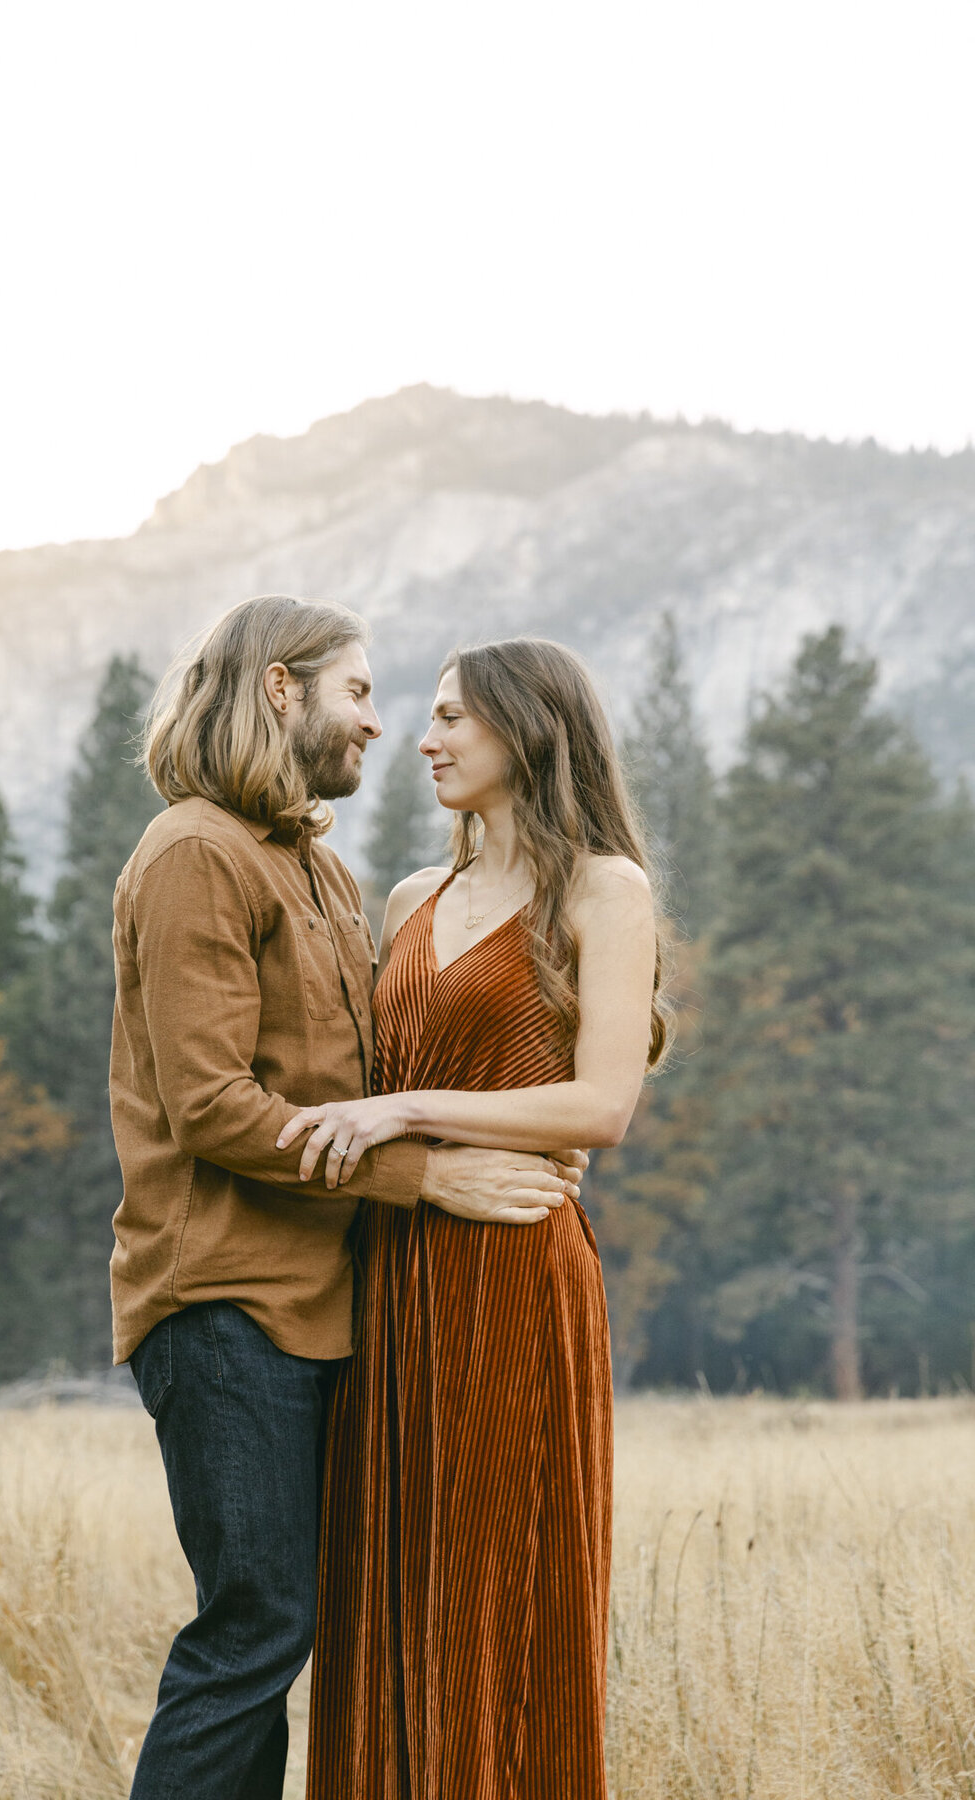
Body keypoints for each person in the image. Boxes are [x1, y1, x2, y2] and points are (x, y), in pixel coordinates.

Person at [107, 595, 588, 1800]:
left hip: (333, 1305)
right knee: (254, 1633)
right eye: (361, 693)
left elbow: (382, 1073)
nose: (381, 727)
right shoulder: (193, 856)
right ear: (281, 690)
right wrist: (430, 1176)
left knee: (303, 1633)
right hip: (225, 1306)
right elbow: (214, 1106)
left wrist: (524, 1114)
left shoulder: (317, 866)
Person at [281, 638, 667, 1800]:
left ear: (530, 730)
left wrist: (405, 1106)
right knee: (384, 1591)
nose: (426, 738)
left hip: (514, 1271)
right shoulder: (409, 897)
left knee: (500, 1582)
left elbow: (602, 1105)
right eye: (427, 716)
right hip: (391, 1274)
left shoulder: (605, 888)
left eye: (455, 718)